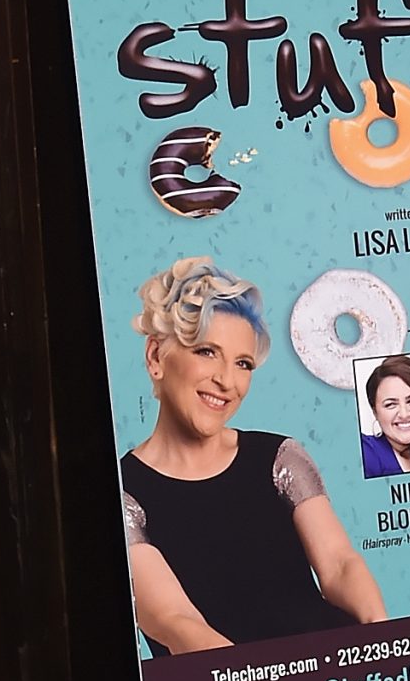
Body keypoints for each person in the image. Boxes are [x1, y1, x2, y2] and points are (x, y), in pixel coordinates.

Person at [121, 258, 388, 654]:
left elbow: (339, 564)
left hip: (336, 673)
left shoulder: (279, 458)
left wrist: (386, 649)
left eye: (243, 363)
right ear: (156, 357)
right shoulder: (123, 493)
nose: (226, 381)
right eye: (206, 352)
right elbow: (175, 621)